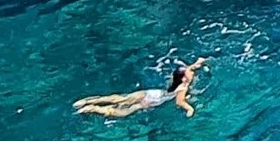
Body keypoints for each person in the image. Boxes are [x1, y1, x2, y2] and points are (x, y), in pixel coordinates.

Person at [75, 58, 207, 119]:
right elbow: (179, 102)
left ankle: (88, 102)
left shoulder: (179, 77)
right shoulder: (182, 87)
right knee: (122, 112)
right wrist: (190, 108)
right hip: (152, 101)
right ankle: (92, 108)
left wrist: (198, 63)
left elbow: (191, 67)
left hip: (149, 94)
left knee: (122, 99)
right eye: (189, 74)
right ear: (184, 78)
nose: (192, 73)